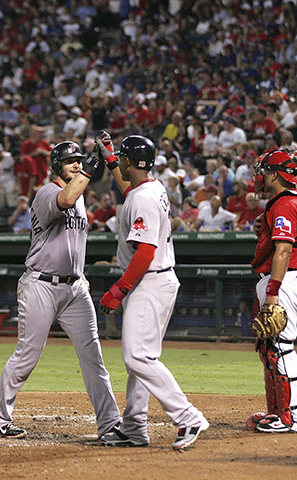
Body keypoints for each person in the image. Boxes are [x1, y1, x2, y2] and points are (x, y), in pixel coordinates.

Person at [0, 140, 121, 441]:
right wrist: (92, 170)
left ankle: (110, 422)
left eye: (79, 160)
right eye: (70, 161)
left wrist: (105, 163)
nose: (77, 164)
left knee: (93, 356)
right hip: (41, 286)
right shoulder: (46, 192)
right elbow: (67, 199)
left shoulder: (80, 194)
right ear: (56, 165)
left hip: (75, 289)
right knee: (28, 355)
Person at [95, 131, 209, 450]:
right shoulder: (150, 186)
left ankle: (188, 417)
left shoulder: (143, 196)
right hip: (155, 278)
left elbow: (144, 252)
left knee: (137, 356)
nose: (120, 160)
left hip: (149, 278)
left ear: (130, 160)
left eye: (121, 156)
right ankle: (134, 427)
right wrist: (109, 157)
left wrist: (118, 290)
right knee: (142, 356)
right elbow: (126, 184)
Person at [246, 149, 297, 434]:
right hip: (284, 278)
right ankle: (279, 412)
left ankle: (291, 417)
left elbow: (284, 249)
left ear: (275, 174)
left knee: (280, 348)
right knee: (269, 348)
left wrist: (272, 292)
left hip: (283, 280)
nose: (260, 176)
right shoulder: (287, 201)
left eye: (264, 171)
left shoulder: (284, 203)